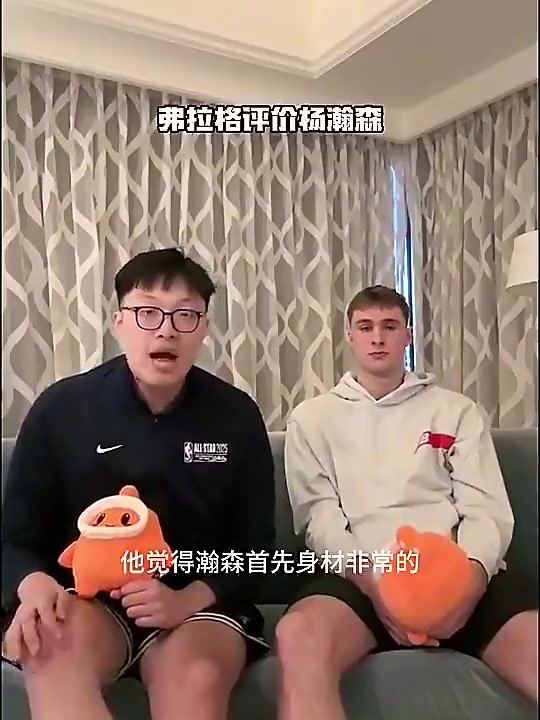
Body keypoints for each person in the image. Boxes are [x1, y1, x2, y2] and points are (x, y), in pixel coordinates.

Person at [2, 248, 276, 720]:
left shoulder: (236, 416)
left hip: (197, 603)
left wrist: (187, 599)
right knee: (47, 644)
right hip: (90, 601)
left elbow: (258, 549)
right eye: (147, 312)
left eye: (185, 315)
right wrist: (33, 585)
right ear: (119, 323)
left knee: (195, 676)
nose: (166, 329)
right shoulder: (61, 409)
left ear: (205, 329)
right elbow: (14, 539)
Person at [276, 285, 538, 720]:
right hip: (362, 576)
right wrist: (375, 586)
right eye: (365, 327)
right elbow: (319, 518)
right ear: (350, 336)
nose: (377, 337)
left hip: (458, 571)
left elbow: (486, 510)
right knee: (299, 636)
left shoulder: (456, 411)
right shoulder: (313, 419)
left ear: (408, 336)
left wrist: (469, 584)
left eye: (389, 326)